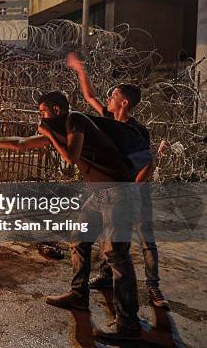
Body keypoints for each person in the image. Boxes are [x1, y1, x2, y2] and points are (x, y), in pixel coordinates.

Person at [0, 91, 143, 341]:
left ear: (55, 109)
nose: (40, 118)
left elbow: (71, 158)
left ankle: (129, 325)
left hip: (118, 191)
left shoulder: (74, 120)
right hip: (100, 192)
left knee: (116, 255)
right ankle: (78, 295)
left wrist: (50, 133)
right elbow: (22, 143)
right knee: (78, 237)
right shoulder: (64, 128)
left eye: (42, 112)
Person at [68, 52, 168, 309]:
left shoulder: (136, 131)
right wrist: (80, 71)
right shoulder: (109, 121)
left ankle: (153, 287)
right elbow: (90, 96)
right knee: (106, 231)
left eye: (112, 97)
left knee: (145, 237)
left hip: (135, 189)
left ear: (123, 103)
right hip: (113, 190)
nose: (108, 99)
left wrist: (132, 189)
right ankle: (104, 276)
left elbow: (148, 164)